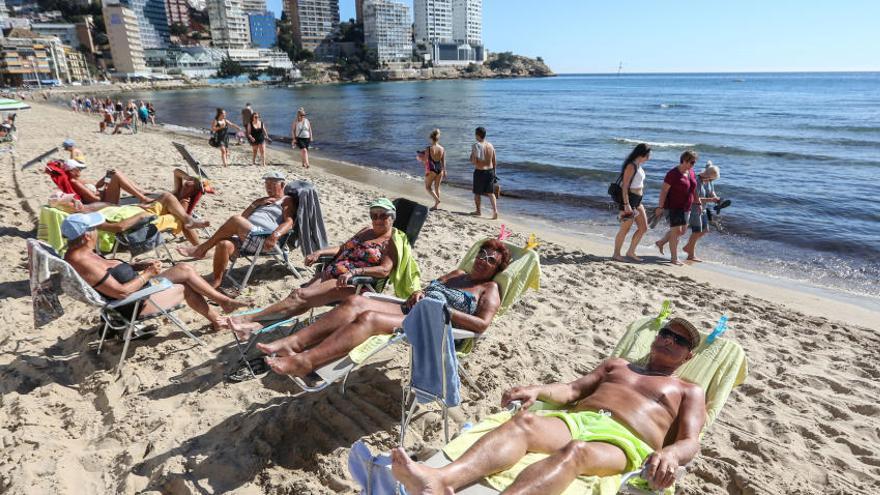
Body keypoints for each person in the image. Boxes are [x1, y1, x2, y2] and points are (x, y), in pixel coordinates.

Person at [391, 317, 706, 495]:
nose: (669, 340)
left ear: (688, 357)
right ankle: (441, 481)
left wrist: (670, 454)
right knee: (523, 423)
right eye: (666, 333)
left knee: (577, 452)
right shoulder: (617, 365)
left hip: (624, 441)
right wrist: (537, 389)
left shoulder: (688, 390)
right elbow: (571, 390)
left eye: (680, 342)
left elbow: (690, 441)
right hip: (580, 419)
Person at [256, 239, 510, 378]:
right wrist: (419, 292)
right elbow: (427, 288)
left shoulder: (489, 290)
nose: (482, 260)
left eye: (491, 260)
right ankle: (293, 343)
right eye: (482, 254)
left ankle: (305, 361)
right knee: (356, 301)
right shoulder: (458, 273)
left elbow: (481, 326)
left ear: (497, 269)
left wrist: (440, 309)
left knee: (369, 318)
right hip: (412, 310)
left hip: (435, 326)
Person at [226, 198, 400, 339]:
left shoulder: (393, 240)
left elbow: (385, 270)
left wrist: (355, 272)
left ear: (392, 217)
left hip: (353, 284)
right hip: (331, 272)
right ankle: (254, 328)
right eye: (374, 215)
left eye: (383, 216)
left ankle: (247, 318)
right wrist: (319, 252)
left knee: (299, 295)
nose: (377, 219)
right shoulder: (365, 230)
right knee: (301, 300)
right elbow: (342, 248)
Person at [62, 213, 248, 330]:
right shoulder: (82, 262)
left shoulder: (79, 253)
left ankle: (222, 304)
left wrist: (137, 267)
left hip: (139, 287)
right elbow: (121, 292)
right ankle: (222, 308)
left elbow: (107, 272)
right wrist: (148, 274)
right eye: (95, 229)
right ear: (87, 236)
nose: (97, 232)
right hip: (134, 303)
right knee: (186, 285)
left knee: (184, 269)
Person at [176, 171, 296, 288]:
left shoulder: (286, 200)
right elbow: (243, 218)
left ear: (282, 185)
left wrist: (275, 236)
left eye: (272, 184)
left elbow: (289, 222)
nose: (268, 187)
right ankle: (217, 280)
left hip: (264, 236)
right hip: (248, 236)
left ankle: (201, 249)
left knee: (235, 219)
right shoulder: (263, 200)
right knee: (224, 244)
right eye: (266, 184)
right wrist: (256, 203)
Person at [654, 151, 699, 266]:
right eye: (692, 162)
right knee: (676, 232)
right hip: (673, 206)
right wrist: (660, 206)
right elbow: (664, 190)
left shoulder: (691, 172)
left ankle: (661, 242)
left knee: (682, 231)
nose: (693, 165)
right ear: (684, 160)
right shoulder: (673, 174)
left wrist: (697, 202)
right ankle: (674, 258)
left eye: (694, 163)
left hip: (687, 206)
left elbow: (694, 189)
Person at [612, 143, 652, 262]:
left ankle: (630, 251)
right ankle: (616, 254)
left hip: (637, 201)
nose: (650, 156)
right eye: (649, 154)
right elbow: (625, 186)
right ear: (643, 154)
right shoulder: (631, 166)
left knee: (643, 227)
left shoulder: (638, 165)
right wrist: (626, 204)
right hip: (629, 200)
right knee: (625, 229)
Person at [65, 159, 152, 204]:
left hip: (104, 197)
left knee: (114, 172)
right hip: (105, 204)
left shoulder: (77, 180)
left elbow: (96, 186)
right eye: (78, 169)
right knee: (116, 175)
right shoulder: (75, 182)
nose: (80, 170)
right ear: (72, 171)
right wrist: (105, 191)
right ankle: (142, 198)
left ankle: (140, 191)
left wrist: (106, 177)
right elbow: (94, 198)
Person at [682, 162, 721, 262]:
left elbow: (711, 191)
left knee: (705, 230)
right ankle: (691, 255)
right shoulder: (697, 181)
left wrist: (715, 197)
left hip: (703, 209)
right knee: (696, 231)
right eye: (712, 178)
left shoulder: (709, 180)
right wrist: (711, 200)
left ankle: (687, 247)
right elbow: (696, 199)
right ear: (708, 175)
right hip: (694, 208)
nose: (712, 181)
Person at [469, 126, 499, 220]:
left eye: (475, 134)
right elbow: (494, 161)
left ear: (477, 135)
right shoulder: (490, 145)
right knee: (491, 193)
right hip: (490, 171)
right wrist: (494, 173)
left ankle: (478, 211)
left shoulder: (477, 145)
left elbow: (474, 161)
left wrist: (472, 155)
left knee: (477, 193)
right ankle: (495, 212)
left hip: (480, 171)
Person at [424, 128, 446, 211]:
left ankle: (437, 200)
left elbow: (426, 162)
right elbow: (443, 161)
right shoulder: (442, 148)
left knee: (428, 187)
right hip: (440, 169)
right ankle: (436, 206)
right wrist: (444, 170)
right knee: (437, 187)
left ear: (431, 138)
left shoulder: (428, 148)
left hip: (432, 169)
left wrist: (427, 171)